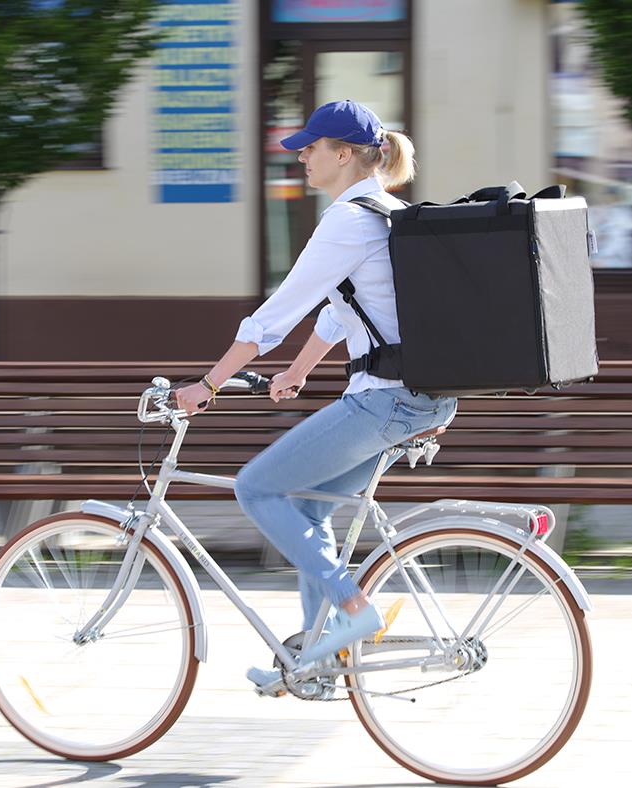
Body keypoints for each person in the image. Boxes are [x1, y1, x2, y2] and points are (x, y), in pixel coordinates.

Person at [172, 99, 457, 689]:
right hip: (417, 397)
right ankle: (317, 664)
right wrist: (298, 372)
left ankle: (354, 610)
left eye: (311, 147)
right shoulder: (384, 212)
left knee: (256, 487)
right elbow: (339, 314)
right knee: (306, 506)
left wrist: (208, 383)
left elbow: (279, 312)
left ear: (345, 154)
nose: (301, 156)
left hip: (385, 399)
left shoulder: (349, 219)